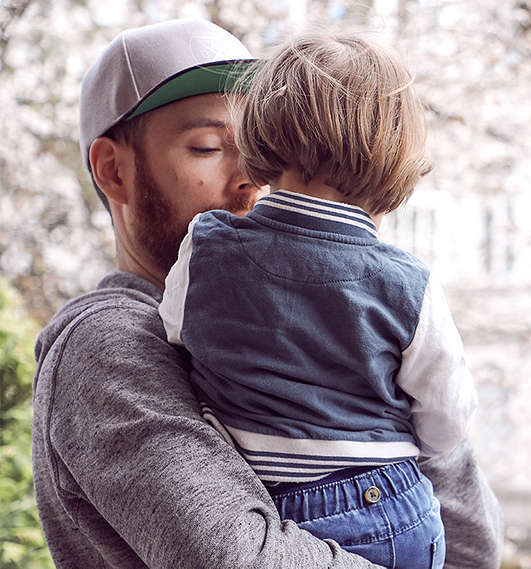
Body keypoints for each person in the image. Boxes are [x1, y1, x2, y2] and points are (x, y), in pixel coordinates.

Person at [31, 18, 502, 569]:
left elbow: (471, 542)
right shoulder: (105, 343)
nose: (252, 179)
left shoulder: (361, 299)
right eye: (208, 147)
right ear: (113, 170)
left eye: (264, 151)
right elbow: (238, 558)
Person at [157, 32, 476, 569]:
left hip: (259, 506)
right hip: (390, 510)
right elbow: (449, 417)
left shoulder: (207, 244)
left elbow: (174, 330)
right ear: (394, 158)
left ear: (259, 136)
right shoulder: (410, 283)